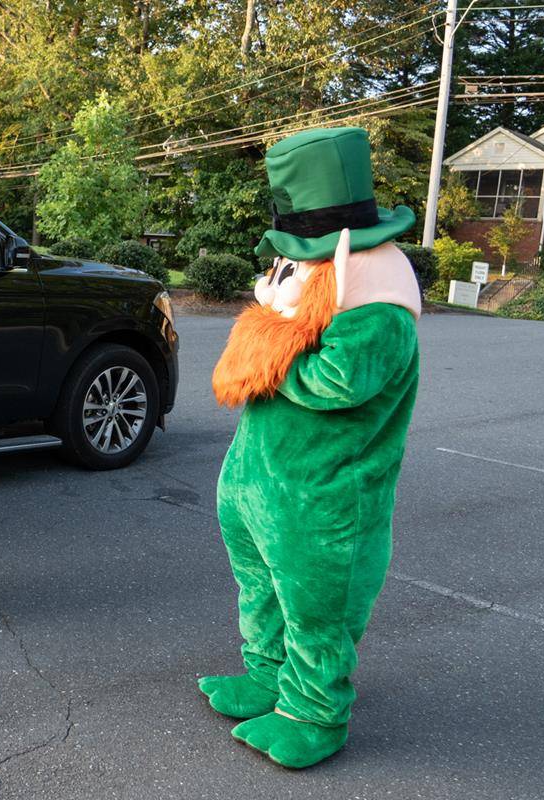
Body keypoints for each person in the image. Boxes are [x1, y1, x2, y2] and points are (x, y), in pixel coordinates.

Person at [202, 127, 421, 768]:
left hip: (324, 502)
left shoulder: (377, 299)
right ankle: (268, 676)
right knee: (262, 590)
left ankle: (314, 712)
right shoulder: (313, 275)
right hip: (264, 489)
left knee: (315, 607)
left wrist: (265, 350)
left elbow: (338, 381)